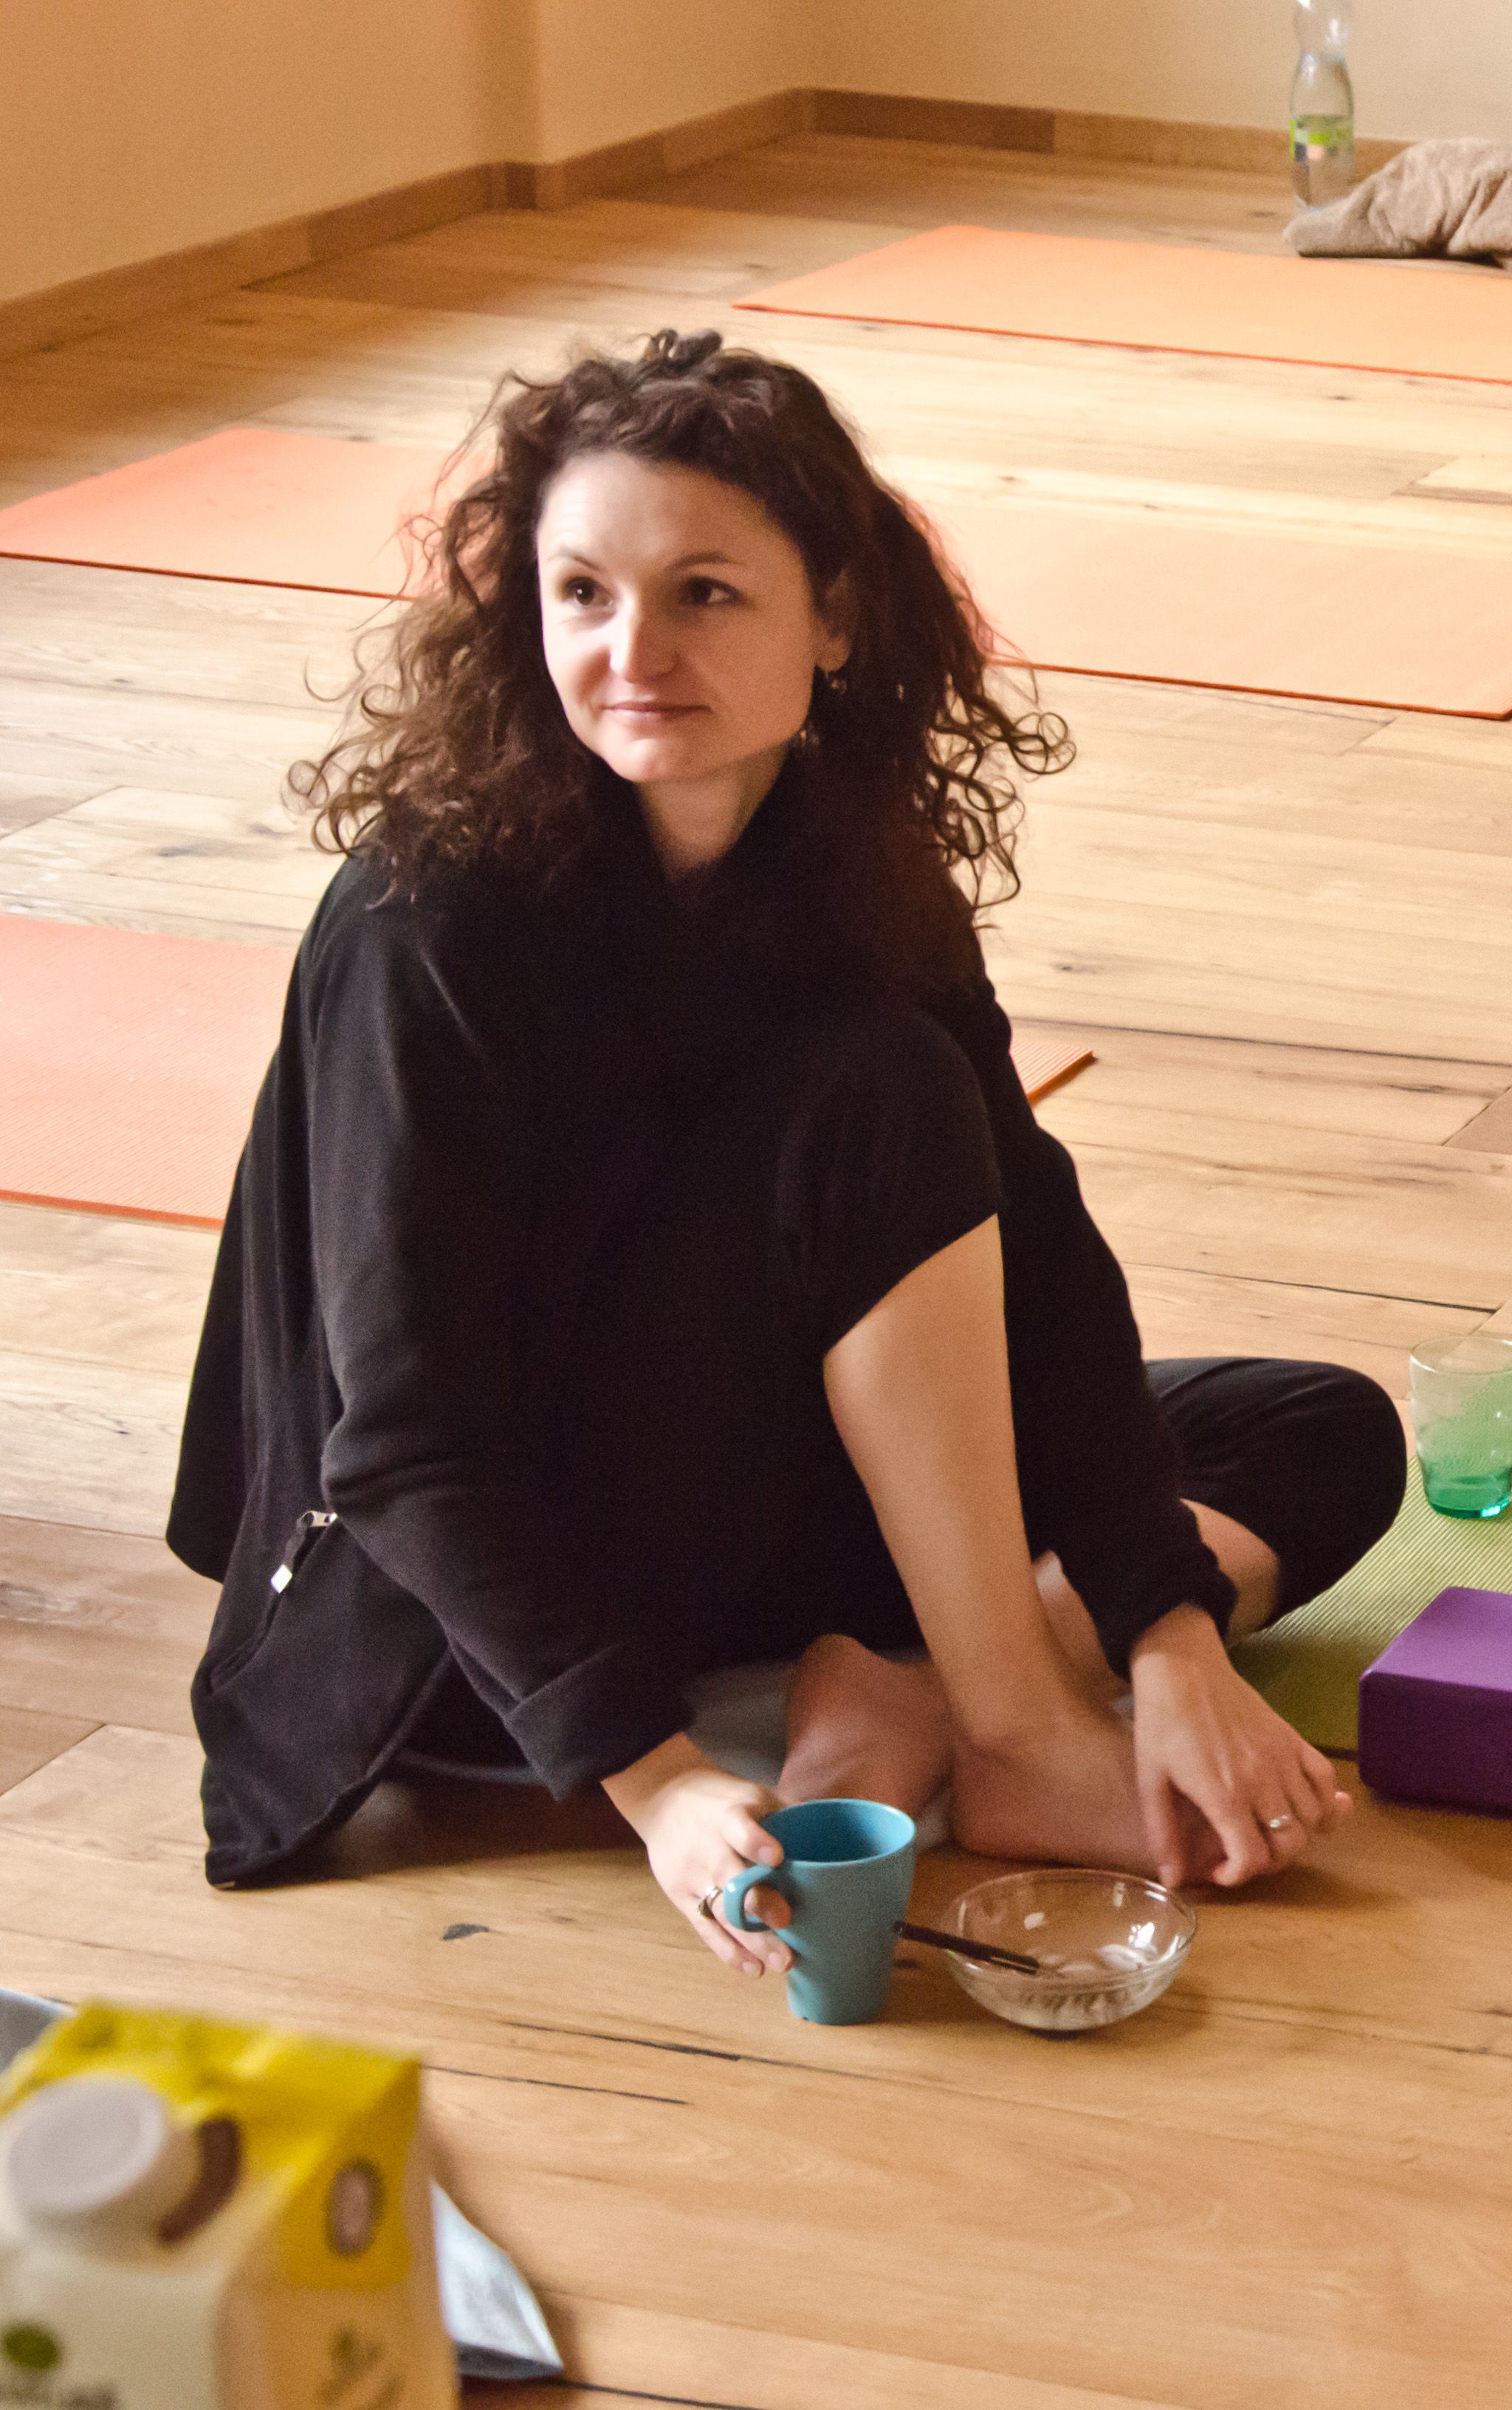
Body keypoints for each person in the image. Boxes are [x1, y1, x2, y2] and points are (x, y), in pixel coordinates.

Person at [168, 332, 1406, 1971]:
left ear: (834, 617)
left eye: (705, 594)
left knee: (1319, 1431)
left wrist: (1171, 1637)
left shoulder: (854, 864)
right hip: (476, 1607)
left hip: (742, 1479)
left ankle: (918, 1694)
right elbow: (402, 1448)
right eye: (582, 594)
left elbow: (1034, 1252)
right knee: (884, 1097)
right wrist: (664, 1786)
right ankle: (1017, 1723)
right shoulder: (431, 924)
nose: (633, 651)